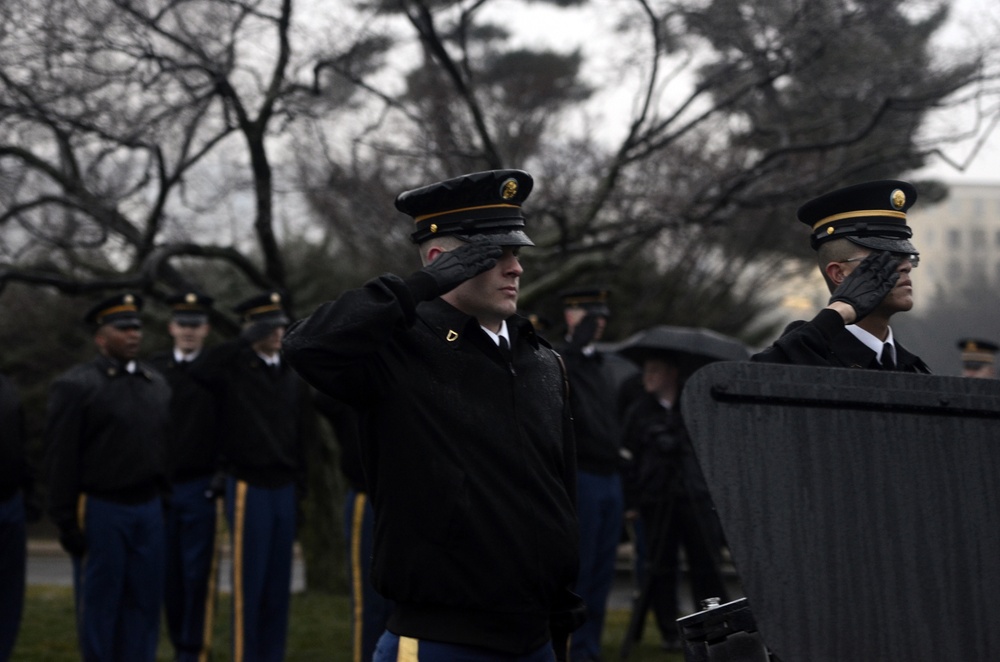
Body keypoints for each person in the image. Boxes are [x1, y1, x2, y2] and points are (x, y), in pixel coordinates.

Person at [282, 169, 584, 661]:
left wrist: (562, 611)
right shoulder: (395, 351)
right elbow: (306, 345)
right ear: (445, 260)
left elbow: (560, 490)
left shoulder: (542, 360)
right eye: (496, 255)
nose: (516, 269)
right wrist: (418, 287)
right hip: (443, 640)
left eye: (518, 253)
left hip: (536, 637)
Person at [44, 293, 170, 661]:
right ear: (101, 337)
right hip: (102, 509)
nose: (134, 335)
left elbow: (163, 448)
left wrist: (163, 501)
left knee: (144, 602)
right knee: (101, 604)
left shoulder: (155, 384)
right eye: (123, 328)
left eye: (137, 327)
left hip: (147, 510)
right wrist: (65, 519)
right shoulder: (77, 386)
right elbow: (61, 458)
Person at [189, 290, 306, 662]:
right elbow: (200, 369)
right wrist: (244, 339)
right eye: (269, 326)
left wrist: (300, 487)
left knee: (277, 588)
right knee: (249, 586)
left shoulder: (289, 370)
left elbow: (302, 433)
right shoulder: (234, 366)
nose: (278, 332)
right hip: (248, 485)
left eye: (280, 325)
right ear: (253, 330)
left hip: (284, 486)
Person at [752, 180, 930, 372]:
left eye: (907, 257)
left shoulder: (913, 369)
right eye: (888, 259)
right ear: (839, 274)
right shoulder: (805, 356)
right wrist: (838, 313)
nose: (905, 267)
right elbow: (753, 379)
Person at [619, 351, 729, 651]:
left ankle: (713, 627)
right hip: (657, 499)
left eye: (654, 370)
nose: (647, 377)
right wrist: (632, 500)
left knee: (706, 564)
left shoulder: (693, 406)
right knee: (660, 567)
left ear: (671, 373)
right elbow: (627, 458)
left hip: (694, 496)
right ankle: (670, 632)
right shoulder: (639, 410)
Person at [149, 292, 222, 662]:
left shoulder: (217, 370)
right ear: (171, 327)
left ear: (206, 329)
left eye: (196, 325)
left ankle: (193, 650)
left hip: (200, 486)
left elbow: (231, 426)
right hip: (160, 490)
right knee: (168, 576)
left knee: (198, 575)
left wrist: (219, 477)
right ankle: (178, 641)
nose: (189, 332)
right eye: (183, 324)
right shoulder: (154, 369)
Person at [556, 286, 624, 662]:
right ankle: (571, 650)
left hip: (609, 476)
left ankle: (589, 651)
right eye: (590, 317)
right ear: (571, 317)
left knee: (601, 572)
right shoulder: (561, 360)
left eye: (601, 318)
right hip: (583, 477)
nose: (598, 325)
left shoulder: (598, 364)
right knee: (580, 574)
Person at [314, 392, 392, 662]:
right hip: (366, 497)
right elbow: (320, 391)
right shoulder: (350, 384)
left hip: (405, 500)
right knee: (370, 604)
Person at [0, 372, 36, 662]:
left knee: (9, 596)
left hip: (10, 502)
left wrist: (29, 491)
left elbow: (20, 445)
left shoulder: (7, 387)